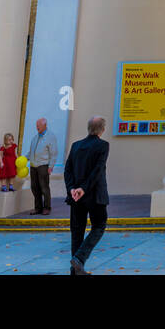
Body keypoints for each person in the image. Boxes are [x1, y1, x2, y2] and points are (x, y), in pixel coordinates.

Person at [63, 116, 110, 275]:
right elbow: (97, 170)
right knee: (99, 225)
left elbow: (67, 170)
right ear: (102, 130)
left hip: (76, 196)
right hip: (94, 194)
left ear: (88, 128)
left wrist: (71, 189)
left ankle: (75, 270)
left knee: (77, 231)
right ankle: (80, 259)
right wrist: (83, 188)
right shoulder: (103, 145)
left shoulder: (76, 146)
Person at [27, 117, 59, 215]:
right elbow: (31, 152)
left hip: (43, 166)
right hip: (33, 166)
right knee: (34, 188)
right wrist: (24, 158)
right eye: (36, 125)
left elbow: (54, 153)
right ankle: (38, 208)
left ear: (45, 125)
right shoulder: (35, 137)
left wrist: (51, 166)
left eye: (39, 125)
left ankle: (47, 208)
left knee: (44, 188)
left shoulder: (51, 136)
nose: (37, 127)